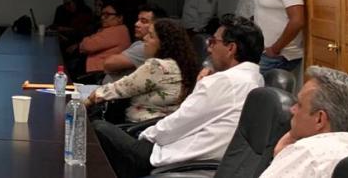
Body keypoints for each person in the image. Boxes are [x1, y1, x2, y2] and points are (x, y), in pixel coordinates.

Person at [93, 14, 264, 178]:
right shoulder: (256, 78)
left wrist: (145, 135)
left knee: (98, 128)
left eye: (213, 42)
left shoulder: (224, 81)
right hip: (206, 159)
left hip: (174, 158)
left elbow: (179, 122)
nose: (208, 48)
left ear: (231, 48)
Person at [259, 66, 348, 178]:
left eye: (299, 105)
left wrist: (283, 158)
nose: (292, 109)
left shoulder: (308, 153)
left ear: (320, 119)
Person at [86, 18, 199, 123]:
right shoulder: (180, 65)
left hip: (137, 128)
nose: (145, 38)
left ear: (163, 43)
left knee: (97, 125)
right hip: (161, 126)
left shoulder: (158, 66)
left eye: (151, 36)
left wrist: (88, 100)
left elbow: (121, 88)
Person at [102, 4, 168, 80]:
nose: (136, 24)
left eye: (144, 21)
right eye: (138, 20)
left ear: (157, 26)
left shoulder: (146, 46)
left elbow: (108, 64)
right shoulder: (140, 43)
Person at [69, 1, 130, 75]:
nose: (102, 17)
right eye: (102, 14)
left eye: (107, 15)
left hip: (100, 72)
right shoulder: (114, 29)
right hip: (99, 70)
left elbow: (88, 46)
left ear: (120, 17)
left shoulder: (117, 30)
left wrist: (84, 41)